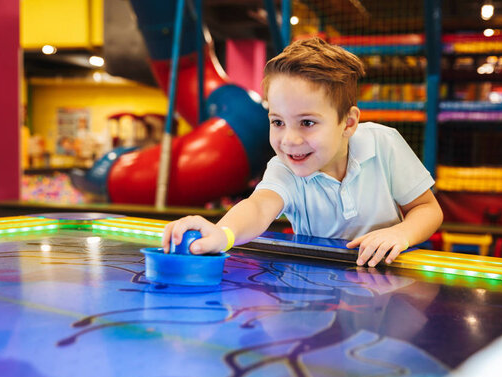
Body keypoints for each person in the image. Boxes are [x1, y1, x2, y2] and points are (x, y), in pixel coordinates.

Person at [162, 37, 443, 267]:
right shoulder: (285, 168)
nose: (290, 140)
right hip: (321, 285)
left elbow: (426, 208)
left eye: (307, 123)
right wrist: (223, 233)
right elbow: (258, 207)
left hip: (391, 277)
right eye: (278, 122)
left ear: (348, 123)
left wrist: (400, 233)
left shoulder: (384, 144)